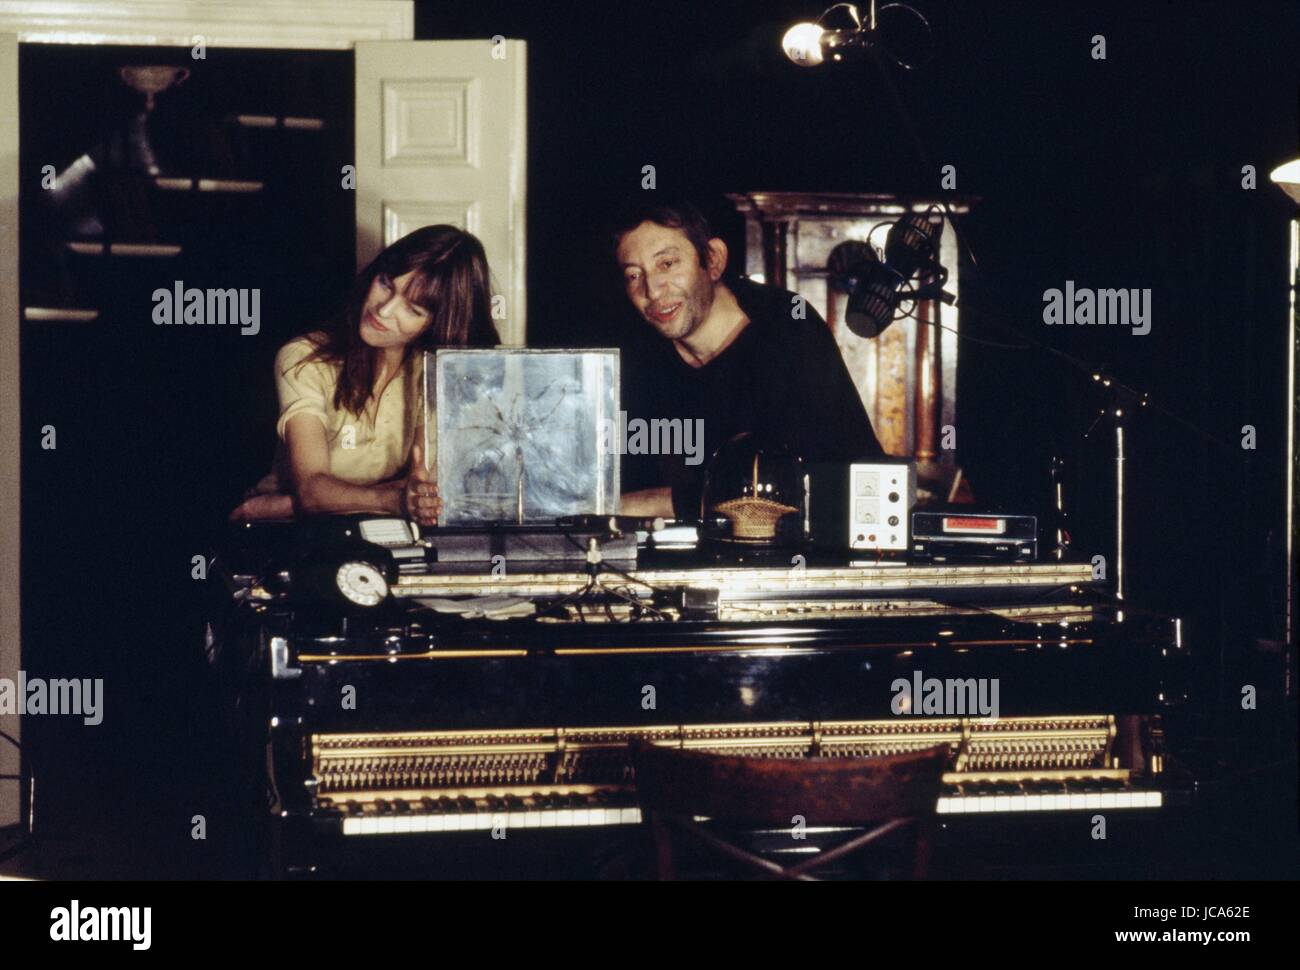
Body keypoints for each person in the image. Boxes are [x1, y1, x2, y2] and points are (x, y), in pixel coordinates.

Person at [613, 200, 885, 519]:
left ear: (713, 261)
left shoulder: (786, 329)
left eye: (667, 264)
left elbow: (787, 490)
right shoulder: (642, 353)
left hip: (829, 545)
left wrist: (644, 503)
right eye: (634, 275)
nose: (653, 291)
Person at [229, 225, 500, 526]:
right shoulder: (304, 357)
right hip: (289, 535)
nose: (383, 311)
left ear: (440, 323)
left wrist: (285, 505)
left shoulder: (434, 371)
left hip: (372, 529)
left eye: (413, 309)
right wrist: (394, 499)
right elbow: (311, 489)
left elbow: (429, 493)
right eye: (386, 283)